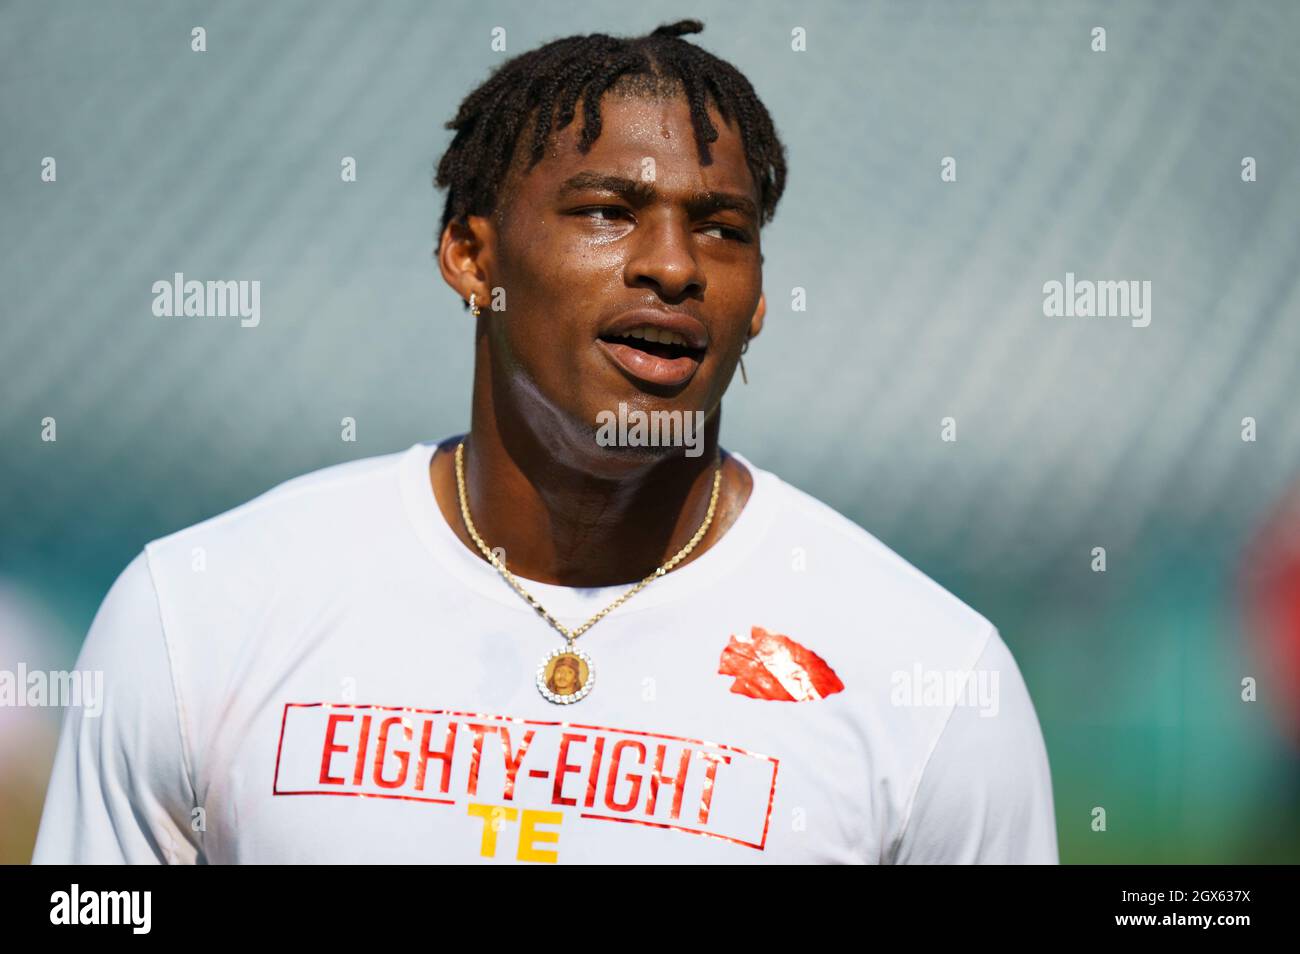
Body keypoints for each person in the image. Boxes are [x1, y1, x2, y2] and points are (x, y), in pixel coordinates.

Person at [32, 19, 1057, 864]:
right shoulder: (204, 615)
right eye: (609, 211)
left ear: (758, 302)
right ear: (472, 257)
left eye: (722, 228)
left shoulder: (927, 680)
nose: (672, 266)